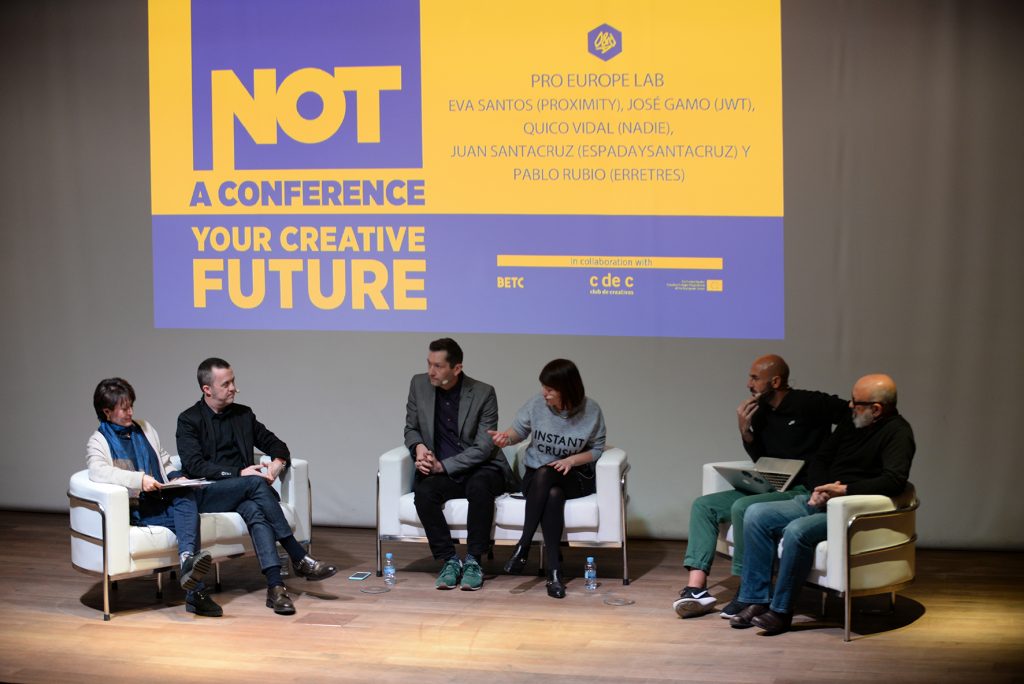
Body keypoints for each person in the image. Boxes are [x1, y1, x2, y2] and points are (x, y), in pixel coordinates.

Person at [729, 373, 915, 634]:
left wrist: (844, 491)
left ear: (876, 409)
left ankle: (781, 611)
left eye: (856, 402)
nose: (849, 406)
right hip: (822, 497)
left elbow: (894, 480)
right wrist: (820, 488)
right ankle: (755, 599)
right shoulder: (853, 422)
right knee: (756, 514)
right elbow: (821, 458)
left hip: (850, 508)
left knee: (797, 531)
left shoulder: (898, 433)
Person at [674, 355, 848, 619]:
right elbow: (761, 458)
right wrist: (746, 432)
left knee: (742, 507)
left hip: (800, 489)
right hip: (771, 484)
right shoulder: (761, 413)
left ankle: (747, 589)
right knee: (704, 505)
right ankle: (696, 589)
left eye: (755, 378)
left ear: (775, 381)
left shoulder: (810, 402)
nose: (748, 384)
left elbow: (850, 415)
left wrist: (830, 458)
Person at [176, 357, 337, 615]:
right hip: (208, 492)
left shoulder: (243, 415)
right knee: (253, 483)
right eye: (226, 384)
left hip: (243, 493)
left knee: (255, 510)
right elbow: (195, 466)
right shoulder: (189, 420)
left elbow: (276, 444)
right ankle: (297, 555)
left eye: (233, 381)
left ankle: (276, 588)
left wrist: (278, 463)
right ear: (207, 389)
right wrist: (238, 473)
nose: (234, 388)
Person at [86, 378, 222, 617]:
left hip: (161, 500)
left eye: (131, 406)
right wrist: (139, 480)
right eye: (124, 408)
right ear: (107, 412)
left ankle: (187, 562)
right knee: (189, 522)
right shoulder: (98, 441)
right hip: (139, 508)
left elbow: (164, 461)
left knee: (186, 498)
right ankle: (196, 593)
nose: (131, 412)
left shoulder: (144, 429)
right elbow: (99, 471)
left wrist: (177, 477)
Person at [490, 358, 606, 599]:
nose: (544, 393)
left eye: (550, 389)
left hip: (574, 476)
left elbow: (597, 449)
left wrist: (571, 461)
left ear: (567, 389)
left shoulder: (591, 411)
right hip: (537, 478)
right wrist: (505, 439)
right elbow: (517, 432)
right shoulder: (536, 405)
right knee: (552, 491)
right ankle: (554, 573)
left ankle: (523, 546)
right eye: (543, 387)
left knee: (549, 476)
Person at [404, 338, 513, 590]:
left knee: (479, 487)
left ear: (457, 368)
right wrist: (418, 447)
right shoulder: (418, 384)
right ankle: (450, 560)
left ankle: (474, 561)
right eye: (429, 364)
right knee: (424, 492)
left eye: (438, 366)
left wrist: (443, 466)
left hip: (481, 467)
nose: (431, 371)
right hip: (442, 471)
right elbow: (411, 428)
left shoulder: (483, 393)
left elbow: (484, 448)